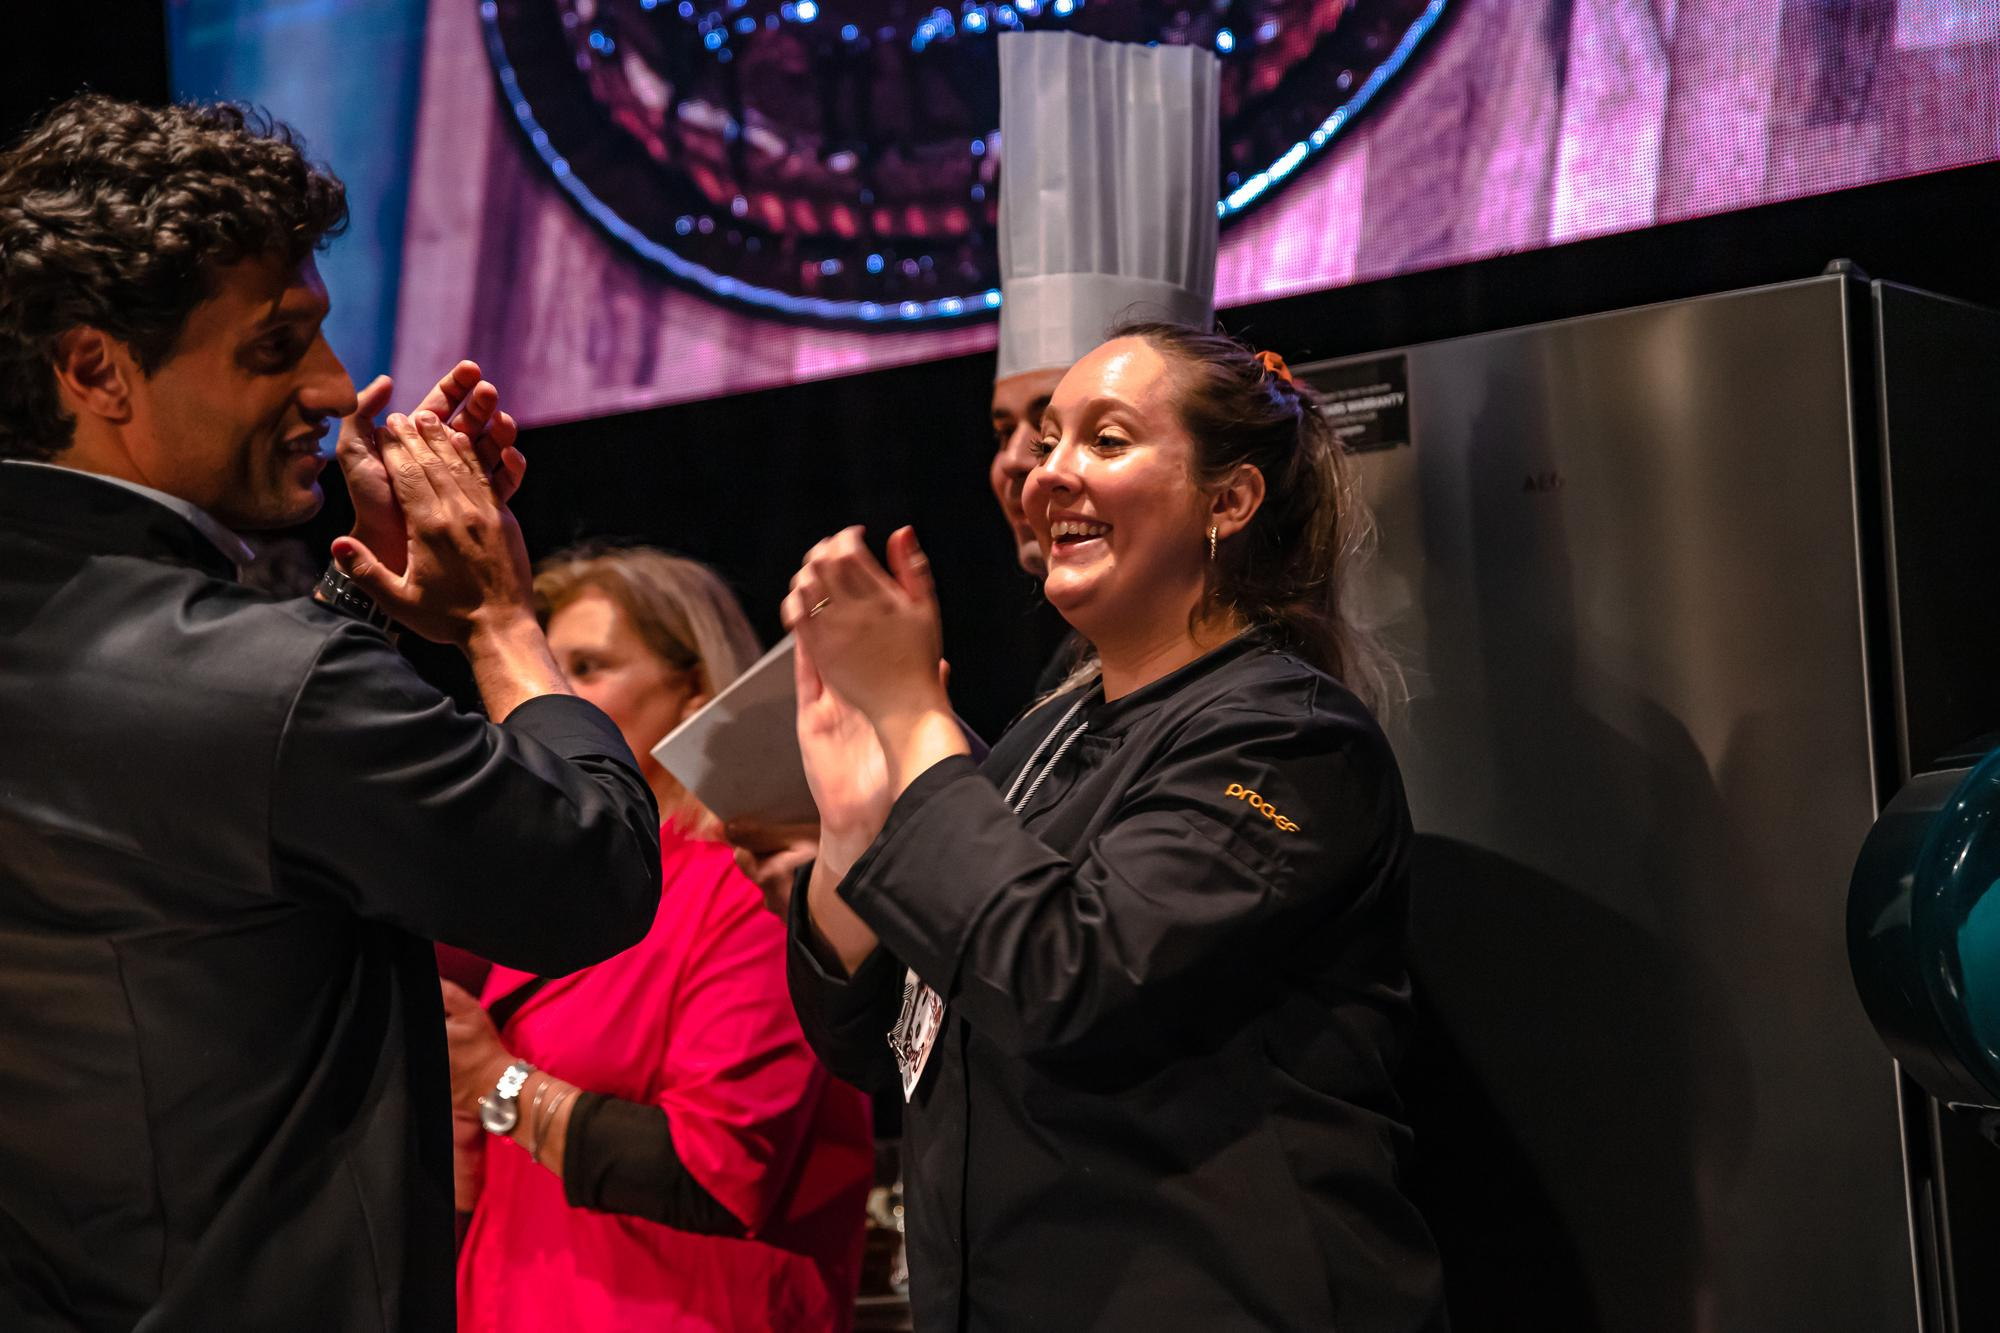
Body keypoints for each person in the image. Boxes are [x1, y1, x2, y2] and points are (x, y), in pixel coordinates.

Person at [0, 96, 660, 1330]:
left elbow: (225, 794)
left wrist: (358, 598)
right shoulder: (260, 684)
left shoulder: (188, 661)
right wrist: (500, 619)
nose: (331, 387)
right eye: (274, 345)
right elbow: (590, 869)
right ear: (96, 370)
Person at [781, 324, 1447, 1332]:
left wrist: (916, 719)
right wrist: (851, 825)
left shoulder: (1285, 737)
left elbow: (1062, 980)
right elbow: (876, 1038)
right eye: (1046, 441)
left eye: (1104, 440)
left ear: (1227, 502)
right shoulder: (1040, 741)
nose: (1045, 476)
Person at [447, 546, 874, 1331]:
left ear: (694, 695)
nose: (547, 693)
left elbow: (720, 1169)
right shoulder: (566, 893)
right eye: (546, 663)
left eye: (587, 665)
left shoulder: (750, 889)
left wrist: (494, 1083)